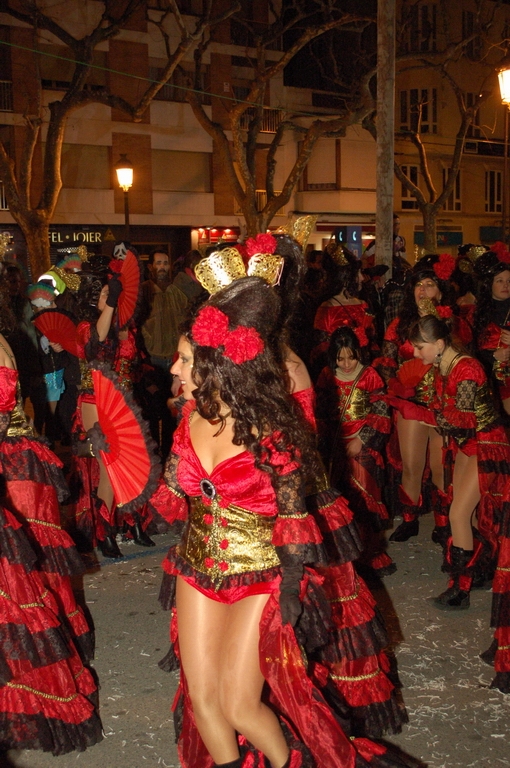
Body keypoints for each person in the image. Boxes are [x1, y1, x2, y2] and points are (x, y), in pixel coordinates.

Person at [156, 276, 416, 768]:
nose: (174, 368)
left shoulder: (273, 429)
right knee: (201, 698)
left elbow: (296, 519)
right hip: (197, 566)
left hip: (260, 573)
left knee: (238, 703)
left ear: (217, 365)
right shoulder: (189, 415)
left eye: (186, 360)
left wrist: (293, 589)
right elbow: (172, 494)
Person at [409, 313, 508, 616]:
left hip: (487, 445)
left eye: (419, 347)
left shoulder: (466, 368)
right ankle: (476, 572)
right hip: (470, 444)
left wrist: (419, 412)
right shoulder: (444, 366)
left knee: (459, 513)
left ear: (438, 344)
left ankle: (461, 588)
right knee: (469, 515)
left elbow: (463, 420)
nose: (415, 353)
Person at [374, 253, 471, 546]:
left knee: (443, 466)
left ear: (440, 290)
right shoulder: (399, 325)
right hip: (411, 404)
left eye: (429, 285)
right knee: (412, 464)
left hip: (444, 404)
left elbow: (463, 363)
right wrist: (395, 384)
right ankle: (409, 518)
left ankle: (443, 523)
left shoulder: (454, 324)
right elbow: (387, 360)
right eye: (417, 285)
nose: (422, 290)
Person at [316, 326, 394, 577]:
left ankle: (373, 554)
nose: (347, 363)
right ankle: (351, 555)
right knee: (343, 502)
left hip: (363, 449)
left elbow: (381, 410)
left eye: (351, 357)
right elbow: (320, 413)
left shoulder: (369, 375)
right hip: (335, 450)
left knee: (367, 501)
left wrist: (362, 439)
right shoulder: (326, 376)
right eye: (341, 358)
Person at [139, 248, 188, 458]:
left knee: (173, 412)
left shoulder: (177, 292)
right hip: (152, 361)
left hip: (175, 362)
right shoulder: (144, 292)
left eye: (165, 263)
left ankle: (170, 453)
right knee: (151, 411)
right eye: (158, 263)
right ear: (151, 266)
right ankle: (153, 455)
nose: (162, 267)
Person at [311, 243, 378, 379]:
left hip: (363, 373)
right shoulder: (327, 309)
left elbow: (373, 344)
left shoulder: (363, 304)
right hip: (338, 375)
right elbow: (320, 350)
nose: (362, 278)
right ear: (346, 277)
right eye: (358, 273)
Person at [472, 247, 510, 420]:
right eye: (500, 281)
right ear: (489, 284)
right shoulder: (476, 314)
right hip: (488, 382)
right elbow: (469, 351)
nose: (506, 286)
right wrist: (493, 355)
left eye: (509, 281)